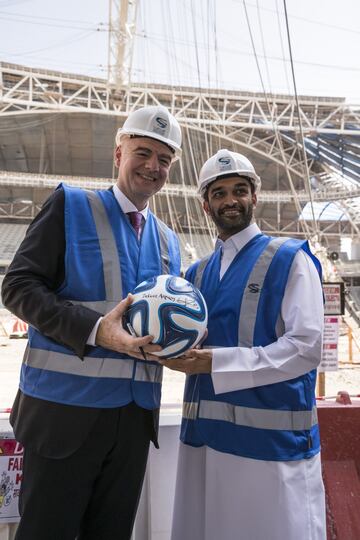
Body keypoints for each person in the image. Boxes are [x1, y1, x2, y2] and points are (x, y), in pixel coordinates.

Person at [1, 105, 182, 540]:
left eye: (164, 159)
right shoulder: (71, 203)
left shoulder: (169, 241)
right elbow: (18, 287)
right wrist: (95, 329)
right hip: (65, 414)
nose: (152, 166)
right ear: (118, 154)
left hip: (134, 421)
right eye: (143, 152)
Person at [159, 149, 326, 540]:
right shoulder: (195, 274)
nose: (229, 200)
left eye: (239, 190)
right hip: (204, 443)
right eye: (218, 193)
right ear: (205, 205)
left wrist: (216, 363)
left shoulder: (290, 259)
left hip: (270, 448)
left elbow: (306, 347)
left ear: (255, 197)